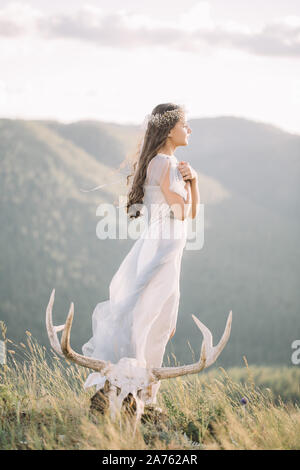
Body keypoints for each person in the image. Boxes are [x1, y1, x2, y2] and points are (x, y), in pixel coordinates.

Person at [82, 102, 199, 405]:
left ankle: (131, 390)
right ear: (169, 128)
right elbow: (183, 212)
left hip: (164, 249)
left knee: (154, 318)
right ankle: (135, 393)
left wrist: (194, 182)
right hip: (163, 250)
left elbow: (190, 213)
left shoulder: (164, 163)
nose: (189, 129)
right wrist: (190, 181)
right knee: (151, 320)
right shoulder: (167, 163)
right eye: (184, 124)